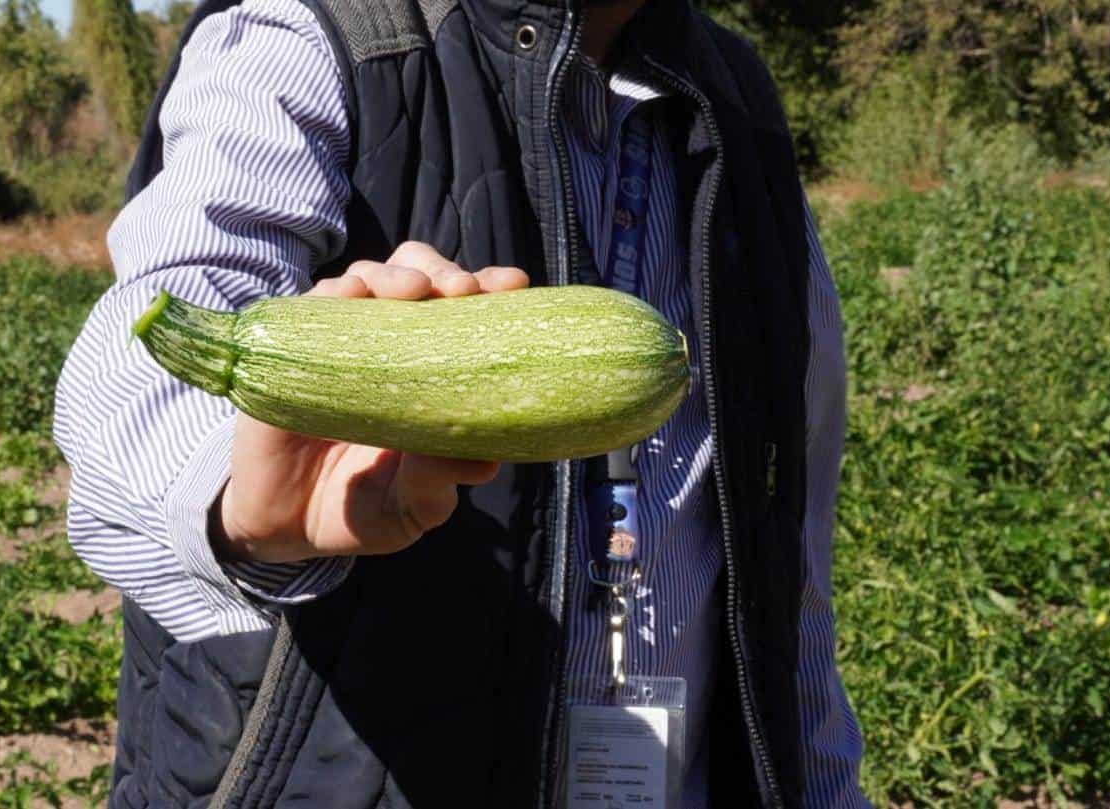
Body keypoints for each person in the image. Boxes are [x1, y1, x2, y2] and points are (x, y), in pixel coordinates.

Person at [54, 0, 869, 805]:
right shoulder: (314, 37)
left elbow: (785, 549)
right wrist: (236, 499)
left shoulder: (733, 97)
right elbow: (143, 362)